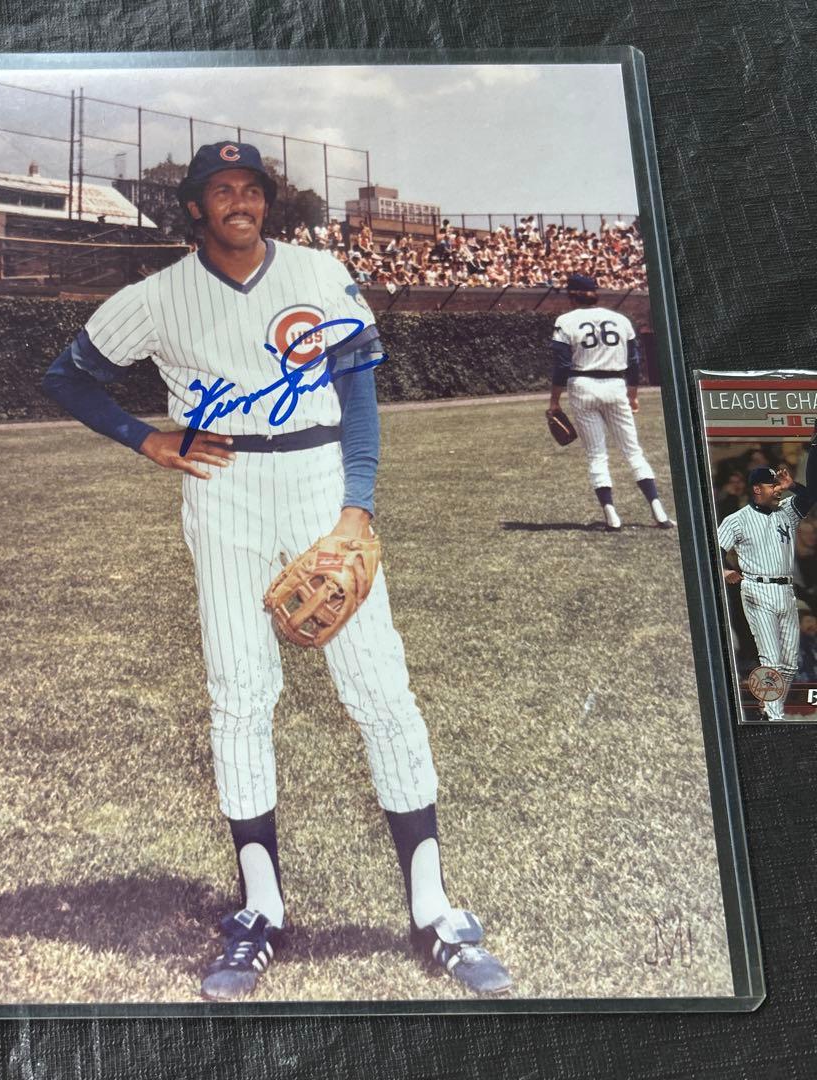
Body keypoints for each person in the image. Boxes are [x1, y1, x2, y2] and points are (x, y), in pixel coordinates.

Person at [41, 142, 511, 1001]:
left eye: (251, 188)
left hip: (319, 483)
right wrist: (146, 439)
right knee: (239, 695)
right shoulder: (157, 297)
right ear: (195, 207)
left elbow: (359, 396)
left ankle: (434, 911)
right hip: (221, 489)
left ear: (267, 201)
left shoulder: (319, 273)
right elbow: (67, 377)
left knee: (382, 691)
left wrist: (357, 507)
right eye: (221, 190)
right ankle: (261, 911)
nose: (239, 201)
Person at [546, 273, 675, 531]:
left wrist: (554, 401)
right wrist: (633, 395)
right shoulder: (621, 319)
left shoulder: (565, 320)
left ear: (572, 296)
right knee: (633, 451)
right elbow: (634, 362)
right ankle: (659, 513)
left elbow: (562, 365)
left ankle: (612, 516)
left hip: (582, 386)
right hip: (616, 386)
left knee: (597, 454)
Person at [718, 451, 817, 721]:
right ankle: (774, 718)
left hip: (786, 590)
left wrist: (792, 485)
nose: (777, 490)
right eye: (772, 485)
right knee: (771, 659)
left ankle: (767, 706)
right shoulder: (736, 519)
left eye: (778, 485)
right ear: (757, 489)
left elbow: (810, 496)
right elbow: (713, 550)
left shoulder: (787, 512)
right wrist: (724, 569)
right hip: (757, 588)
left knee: (789, 662)